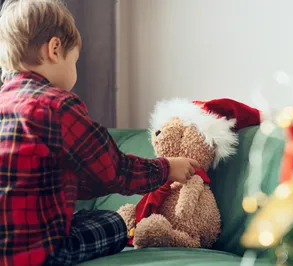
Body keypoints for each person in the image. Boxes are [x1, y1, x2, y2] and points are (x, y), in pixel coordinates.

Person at [0, 0, 200, 265]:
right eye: (76, 61)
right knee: (115, 221)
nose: (76, 71)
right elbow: (115, 171)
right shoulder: (57, 105)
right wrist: (166, 168)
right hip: (38, 253)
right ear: (55, 49)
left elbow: (52, 181)